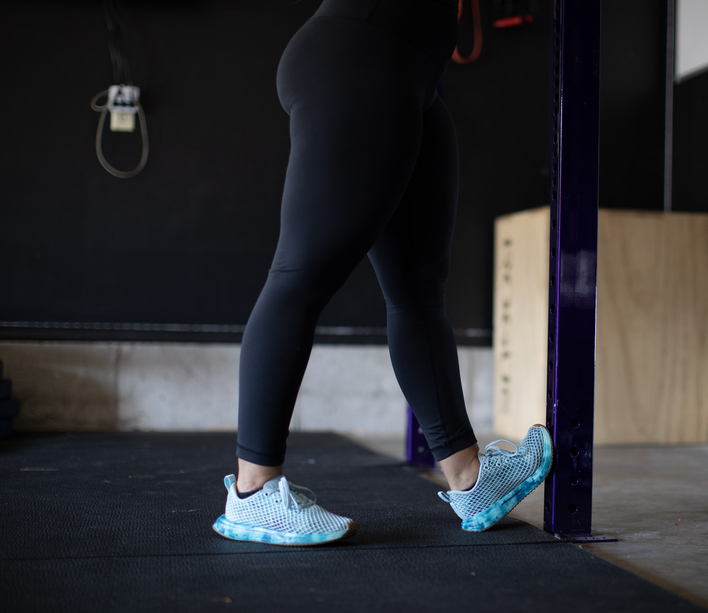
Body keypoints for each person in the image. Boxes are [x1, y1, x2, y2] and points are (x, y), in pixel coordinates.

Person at [211, 0, 553, 546]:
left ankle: (469, 478)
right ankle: (252, 493)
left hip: (412, 73)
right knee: (302, 273)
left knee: (418, 292)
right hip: (359, 53)